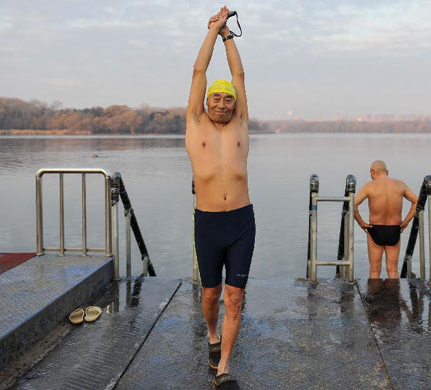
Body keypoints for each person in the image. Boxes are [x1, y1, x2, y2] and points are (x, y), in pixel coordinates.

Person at [185, 6, 253, 389]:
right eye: (217, 100)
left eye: (228, 100)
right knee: (210, 294)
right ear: (207, 103)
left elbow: (238, 75)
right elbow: (199, 73)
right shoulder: (196, 126)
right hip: (208, 223)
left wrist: (230, 36)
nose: (223, 105)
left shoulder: (241, 125)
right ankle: (212, 334)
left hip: (242, 220)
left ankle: (224, 367)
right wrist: (214, 30)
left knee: (235, 296)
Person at [354, 160, 417, 279]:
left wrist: (361, 223)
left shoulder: (369, 186)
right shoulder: (400, 184)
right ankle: (394, 296)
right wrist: (405, 222)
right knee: (393, 270)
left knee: (374, 270)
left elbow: (352, 205)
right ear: (387, 172)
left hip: (375, 229)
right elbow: (417, 201)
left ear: (372, 172)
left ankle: (374, 297)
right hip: (394, 229)